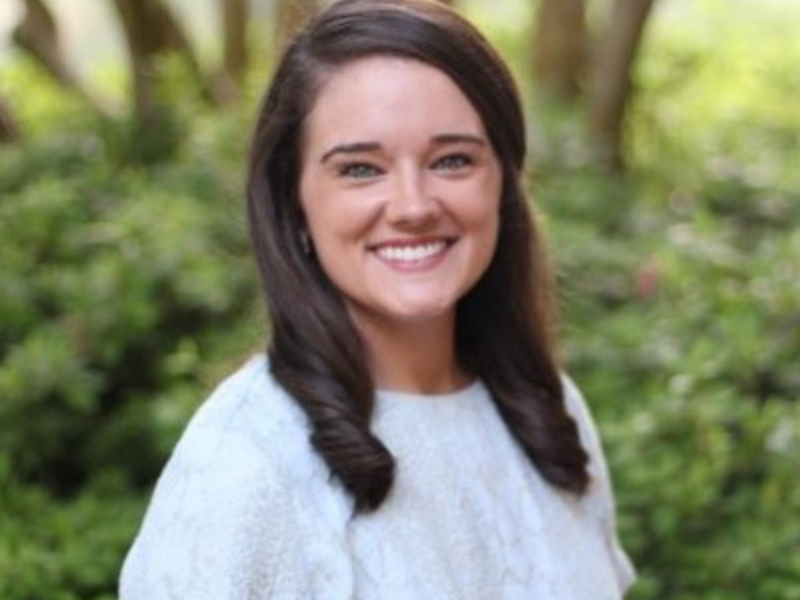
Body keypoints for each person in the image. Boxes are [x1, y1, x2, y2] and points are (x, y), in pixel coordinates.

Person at [119, 0, 636, 598]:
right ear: (295, 204)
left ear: (503, 183)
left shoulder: (550, 415)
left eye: (452, 160)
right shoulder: (242, 467)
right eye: (361, 169)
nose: (414, 206)